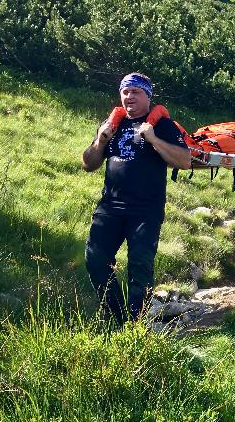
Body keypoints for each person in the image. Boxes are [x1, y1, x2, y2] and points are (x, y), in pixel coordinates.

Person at [82, 72, 191, 325]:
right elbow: (88, 164)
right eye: (125, 91)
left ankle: (136, 325)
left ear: (148, 96)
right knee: (95, 260)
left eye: (136, 92)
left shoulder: (163, 126)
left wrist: (152, 139)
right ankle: (118, 318)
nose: (129, 96)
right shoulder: (112, 124)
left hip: (145, 210)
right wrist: (100, 141)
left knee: (140, 265)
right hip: (110, 206)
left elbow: (184, 160)